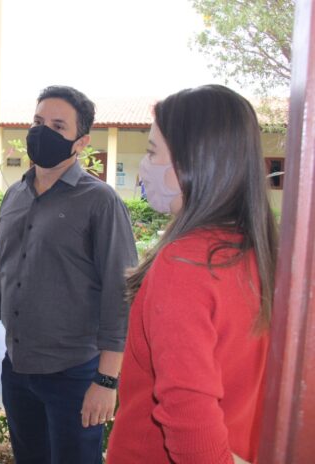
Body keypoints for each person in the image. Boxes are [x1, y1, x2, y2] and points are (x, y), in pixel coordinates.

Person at [106, 85, 278, 464]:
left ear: (190, 163)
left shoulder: (184, 263)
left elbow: (189, 416)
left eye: (152, 152)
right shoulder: (257, 251)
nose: (143, 167)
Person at [0, 85, 138, 463]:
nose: (42, 131)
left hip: (75, 375)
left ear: (81, 141)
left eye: (58, 126)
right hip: (17, 368)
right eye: (38, 121)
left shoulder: (100, 202)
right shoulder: (15, 195)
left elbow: (120, 294)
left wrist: (106, 381)